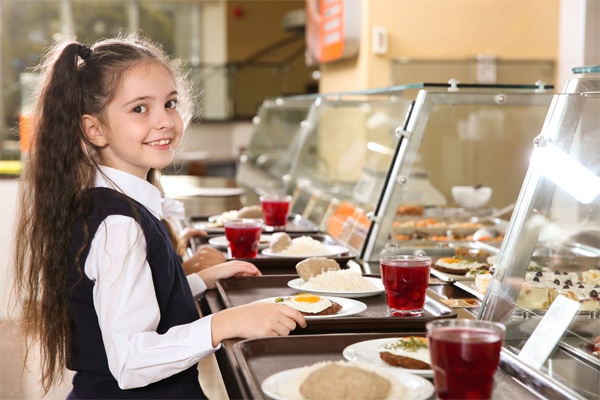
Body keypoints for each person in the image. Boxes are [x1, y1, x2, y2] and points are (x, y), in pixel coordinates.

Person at [12, 32, 306, 399]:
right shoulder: (120, 225)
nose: (165, 120)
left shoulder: (109, 204)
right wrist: (224, 322)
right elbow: (131, 361)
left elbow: (141, 299)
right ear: (94, 129)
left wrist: (197, 282)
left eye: (170, 103)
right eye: (140, 108)